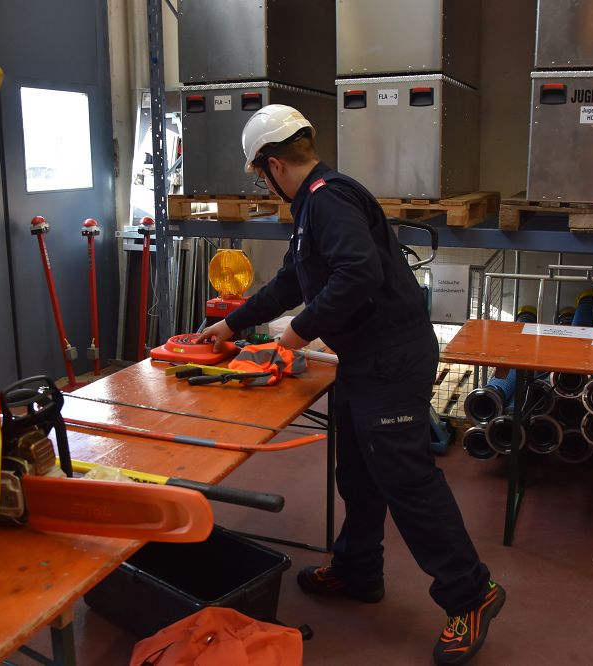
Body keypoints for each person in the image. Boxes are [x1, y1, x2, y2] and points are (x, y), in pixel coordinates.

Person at [194, 104, 505, 665]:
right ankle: (359, 570)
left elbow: (358, 273)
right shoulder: (313, 206)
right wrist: (231, 324)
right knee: (359, 474)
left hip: (391, 360)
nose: (264, 183)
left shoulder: (327, 199)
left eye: (260, 174)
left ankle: (471, 593)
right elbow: (292, 281)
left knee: (407, 482)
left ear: (271, 165)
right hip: (364, 358)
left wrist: (295, 337)